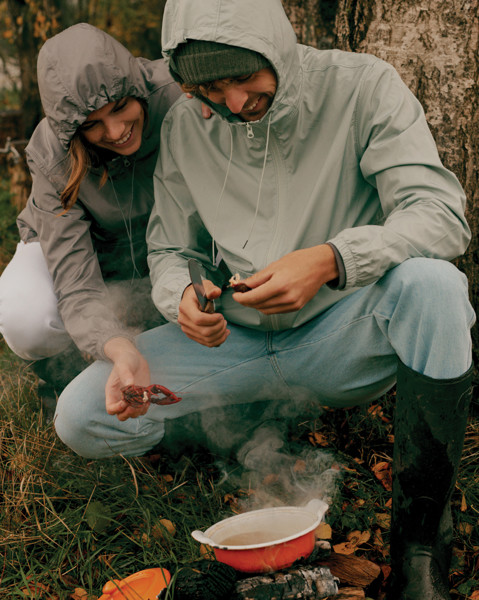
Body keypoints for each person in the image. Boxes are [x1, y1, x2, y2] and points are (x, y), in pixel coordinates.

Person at [54, 1, 475, 599]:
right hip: (237, 341)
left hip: (341, 336)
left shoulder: (362, 86)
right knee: (82, 415)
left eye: (244, 79)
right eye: (209, 88)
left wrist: (331, 259)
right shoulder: (185, 125)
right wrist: (184, 297)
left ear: (273, 48)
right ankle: (238, 429)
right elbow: (171, 248)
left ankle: (421, 548)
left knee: (436, 286)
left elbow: (441, 217)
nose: (231, 103)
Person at [0, 23, 182, 416]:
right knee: (26, 316)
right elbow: (76, 281)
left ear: (136, 87)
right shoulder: (52, 154)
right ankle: (62, 377)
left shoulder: (179, 92)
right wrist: (116, 345)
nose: (116, 131)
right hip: (83, 247)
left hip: (167, 237)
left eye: (120, 108)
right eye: (91, 125)